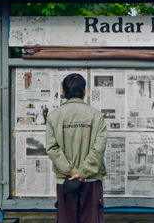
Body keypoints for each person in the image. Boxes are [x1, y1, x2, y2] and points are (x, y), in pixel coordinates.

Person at [46, 73, 107, 223]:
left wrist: (72, 172)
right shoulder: (96, 116)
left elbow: (52, 148)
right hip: (91, 180)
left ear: (64, 92)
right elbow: (98, 148)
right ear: (84, 91)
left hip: (66, 181)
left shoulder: (53, 116)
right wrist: (82, 172)